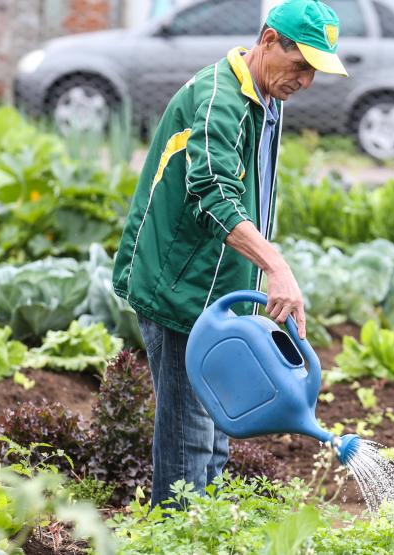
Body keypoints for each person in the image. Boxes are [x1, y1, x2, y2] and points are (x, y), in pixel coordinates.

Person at [111, 0, 348, 508]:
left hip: (220, 290)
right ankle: (171, 535)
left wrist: (259, 279)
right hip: (178, 285)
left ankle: (203, 532)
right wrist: (276, 266)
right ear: (267, 41)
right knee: (190, 433)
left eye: (315, 71)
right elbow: (212, 194)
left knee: (217, 429)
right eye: (300, 64)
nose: (305, 81)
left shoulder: (268, 96)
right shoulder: (221, 98)